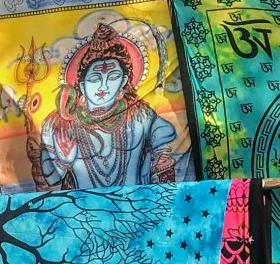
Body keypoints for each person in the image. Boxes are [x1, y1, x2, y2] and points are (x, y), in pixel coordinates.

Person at [34, 25, 178, 190]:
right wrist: (63, 160)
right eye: (95, 78)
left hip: (135, 207)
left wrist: (161, 160)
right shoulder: (60, 125)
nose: (103, 86)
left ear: (124, 81)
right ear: (81, 84)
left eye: (113, 77)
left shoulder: (140, 116)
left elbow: (163, 148)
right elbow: (51, 180)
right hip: (83, 210)